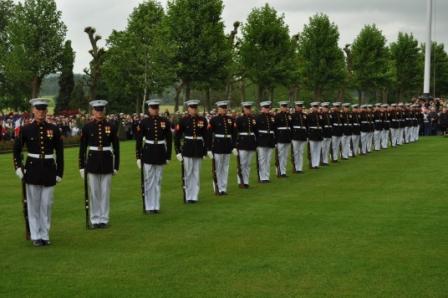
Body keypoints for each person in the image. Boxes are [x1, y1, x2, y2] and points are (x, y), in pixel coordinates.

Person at [13, 98, 64, 246]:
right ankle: (36, 235)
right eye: (38, 110)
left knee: (47, 204)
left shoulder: (54, 129)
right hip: (32, 169)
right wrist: (18, 167)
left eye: (43, 110)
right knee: (34, 204)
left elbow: (59, 153)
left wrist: (60, 172)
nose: (41, 113)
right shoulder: (26, 129)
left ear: (46, 111)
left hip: (49, 169)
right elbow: (16, 150)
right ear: (33, 111)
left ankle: (45, 233)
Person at [79, 100, 120, 229]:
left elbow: (116, 148)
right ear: (93, 112)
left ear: (104, 111)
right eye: (97, 110)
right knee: (94, 192)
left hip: (107, 161)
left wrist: (116, 165)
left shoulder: (111, 126)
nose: (99, 112)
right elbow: (82, 148)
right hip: (92, 161)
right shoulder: (87, 127)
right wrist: (81, 166)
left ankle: (104, 218)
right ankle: (95, 218)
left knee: (105, 192)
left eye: (101, 110)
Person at [136, 99, 172, 214]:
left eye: (156, 108)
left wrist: (168, 156)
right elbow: (138, 141)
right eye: (153, 108)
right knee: (149, 180)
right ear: (149, 109)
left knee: (158, 180)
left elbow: (169, 139)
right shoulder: (144, 122)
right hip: (148, 152)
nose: (155, 110)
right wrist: (138, 156)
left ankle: (156, 205)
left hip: (160, 151)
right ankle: (149, 205)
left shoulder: (164, 121)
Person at [174, 99, 208, 203]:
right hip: (188, 148)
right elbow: (177, 136)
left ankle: (194, 195)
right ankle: (188, 195)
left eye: (195, 108)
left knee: (196, 173)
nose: (194, 110)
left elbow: (206, 136)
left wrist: (205, 150)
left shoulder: (202, 120)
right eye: (192, 108)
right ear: (188, 109)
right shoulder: (183, 120)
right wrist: (178, 151)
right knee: (188, 173)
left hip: (198, 148)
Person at [207, 100, 235, 195]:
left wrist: (234, 146)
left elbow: (234, 133)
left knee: (225, 167)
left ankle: (223, 187)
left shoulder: (230, 119)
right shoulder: (214, 120)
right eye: (222, 108)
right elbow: (209, 135)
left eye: (225, 108)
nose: (224, 109)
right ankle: (217, 187)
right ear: (218, 109)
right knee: (218, 167)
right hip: (218, 145)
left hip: (227, 144)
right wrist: (209, 149)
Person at [234, 101, 257, 188]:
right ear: (243, 109)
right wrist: (236, 144)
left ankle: (246, 181)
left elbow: (255, 131)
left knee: (248, 163)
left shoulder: (253, 119)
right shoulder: (239, 119)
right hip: (242, 142)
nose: (249, 110)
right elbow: (236, 132)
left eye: (249, 108)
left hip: (251, 141)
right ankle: (240, 180)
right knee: (242, 163)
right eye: (247, 108)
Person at [255, 101, 276, 183]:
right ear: (262, 108)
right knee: (262, 159)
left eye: (268, 107)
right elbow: (256, 130)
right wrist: (257, 141)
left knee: (268, 159)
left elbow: (274, 129)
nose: (267, 109)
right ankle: (262, 177)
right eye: (266, 108)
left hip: (270, 139)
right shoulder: (258, 117)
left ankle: (267, 176)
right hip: (262, 140)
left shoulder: (271, 117)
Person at [274, 101, 292, 177]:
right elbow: (275, 128)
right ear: (280, 107)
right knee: (280, 155)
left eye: (286, 106)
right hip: (280, 137)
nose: (285, 108)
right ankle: (279, 171)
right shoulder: (277, 116)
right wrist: (276, 139)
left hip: (287, 137)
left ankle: (283, 171)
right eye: (283, 106)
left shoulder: (289, 115)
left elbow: (290, 126)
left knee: (285, 155)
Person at [291, 101, 308, 172]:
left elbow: (306, 126)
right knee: (295, 152)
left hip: (302, 135)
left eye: (300, 106)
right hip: (295, 135)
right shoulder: (292, 115)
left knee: (301, 152)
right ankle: (295, 167)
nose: (299, 107)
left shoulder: (304, 115)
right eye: (298, 106)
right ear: (296, 107)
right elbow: (291, 126)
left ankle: (299, 168)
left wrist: (306, 135)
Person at [306, 102, 323, 169]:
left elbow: (322, 124)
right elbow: (307, 125)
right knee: (313, 150)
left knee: (318, 149)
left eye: (317, 107)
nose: (316, 108)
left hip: (319, 133)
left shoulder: (320, 115)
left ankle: (316, 164)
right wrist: (308, 134)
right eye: (314, 107)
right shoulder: (309, 115)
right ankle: (313, 164)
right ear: (312, 108)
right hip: (312, 133)